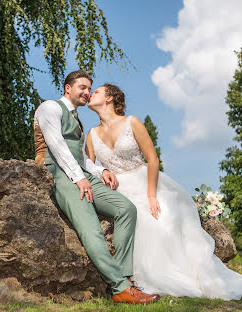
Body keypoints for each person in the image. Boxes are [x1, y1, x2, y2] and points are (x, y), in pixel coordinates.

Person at [85, 83, 242, 302]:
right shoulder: (92, 134)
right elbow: (90, 167)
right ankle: (129, 282)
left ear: (109, 98)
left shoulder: (131, 123)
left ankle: (166, 276)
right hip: (116, 189)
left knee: (160, 220)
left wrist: (151, 196)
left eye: (95, 92)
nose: (90, 94)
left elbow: (152, 159)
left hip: (145, 182)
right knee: (135, 219)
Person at [33, 70, 160, 304]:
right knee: (90, 228)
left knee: (126, 209)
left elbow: (81, 157)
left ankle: (124, 278)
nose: (87, 92)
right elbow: (57, 146)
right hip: (60, 175)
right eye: (82, 87)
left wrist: (100, 171)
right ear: (67, 88)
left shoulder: (78, 121)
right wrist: (77, 178)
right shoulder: (50, 107)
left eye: (90, 89)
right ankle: (120, 288)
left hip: (80, 173)